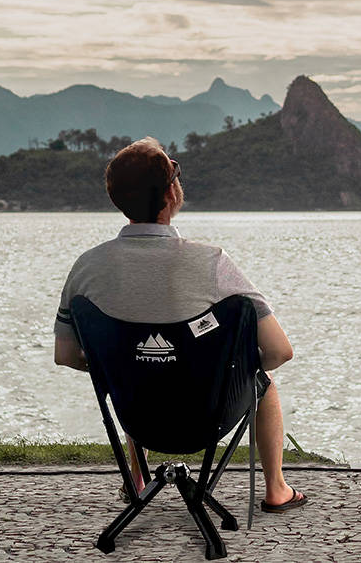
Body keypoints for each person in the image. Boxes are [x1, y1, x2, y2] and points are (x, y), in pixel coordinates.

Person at [54, 136, 306, 513]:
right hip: (206, 419)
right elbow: (279, 351)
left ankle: (137, 479)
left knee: (133, 365)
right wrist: (228, 371)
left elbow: (65, 355)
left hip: (137, 416)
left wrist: (131, 363)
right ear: (171, 194)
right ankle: (277, 489)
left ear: (116, 199)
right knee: (263, 381)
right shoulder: (212, 263)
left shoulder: (86, 268)